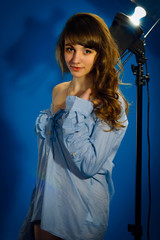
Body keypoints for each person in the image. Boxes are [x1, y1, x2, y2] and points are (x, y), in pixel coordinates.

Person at [18, 12, 129, 240]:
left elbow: (88, 165)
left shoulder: (111, 101)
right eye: (70, 48)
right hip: (44, 205)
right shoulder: (59, 90)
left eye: (86, 51)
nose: (75, 59)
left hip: (78, 212)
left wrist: (78, 107)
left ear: (100, 53)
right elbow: (49, 156)